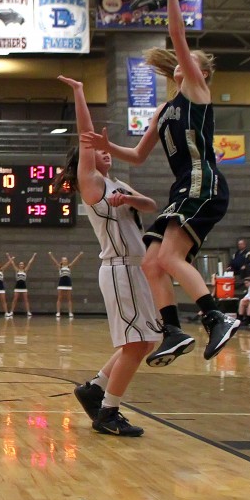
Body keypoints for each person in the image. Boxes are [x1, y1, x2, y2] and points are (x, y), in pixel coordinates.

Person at [81, 0, 240, 364]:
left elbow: (177, 35)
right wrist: (107, 145)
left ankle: (217, 317)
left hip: (204, 182)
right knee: (152, 261)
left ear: (199, 71)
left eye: (190, 61)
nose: (185, 63)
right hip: (183, 187)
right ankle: (172, 331)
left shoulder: (198, 91)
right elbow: (137, 155)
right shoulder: (165, 110)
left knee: (168, 258)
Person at [59, 75, 159, 437]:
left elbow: (151, 204)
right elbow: (87, 138)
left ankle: (96, 387)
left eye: (107, 149)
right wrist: (80, 92)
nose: (104, 151)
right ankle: (108, 412)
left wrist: (130, 199)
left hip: (135, 270)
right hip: (118, 269)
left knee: (148, 341)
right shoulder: (93, 184)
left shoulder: (119, 185)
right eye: (98, 150)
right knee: (135, 344)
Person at [48, 249, 84, 318]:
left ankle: (70, 312)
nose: (65, 261)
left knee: (69, 298)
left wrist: (79, 255)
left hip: (68, 283)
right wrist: (51, 255)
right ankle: (58, 312)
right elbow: (54, 261)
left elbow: (75, 261)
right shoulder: (60, 267)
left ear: (67, 261)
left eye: (66, 260)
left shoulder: (69, 267)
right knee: (59, 298)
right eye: (63, 260)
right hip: (61, 283)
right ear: (61, 261)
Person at [6, 252, 37, 318]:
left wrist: (33, 256)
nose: (21, 265)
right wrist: (8, 256)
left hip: (24, 287)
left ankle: (28, 312)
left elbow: (29, 263)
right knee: (15, 299)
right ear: (19, 265)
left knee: (26, 300)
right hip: (17, 286)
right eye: (20, 264)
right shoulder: (17, 270)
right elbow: (12, 263)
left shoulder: (25, 271)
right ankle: (11, 312)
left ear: (23, 265)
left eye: (22, 264)